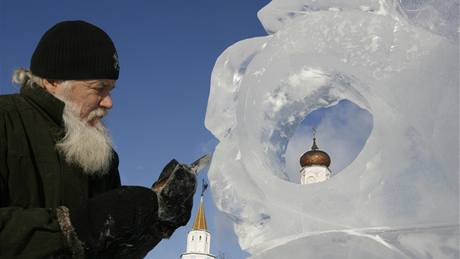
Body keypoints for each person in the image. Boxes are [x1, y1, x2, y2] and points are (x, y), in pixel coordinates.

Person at [0, 20, 197, 258]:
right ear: (53, 81)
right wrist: (76, 227)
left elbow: (106, 248)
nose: (108, 102)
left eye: (111, 89)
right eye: (98, 88)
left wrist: (154, 220)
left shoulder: (101, 154)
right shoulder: (5, 120)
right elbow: (88, 228)